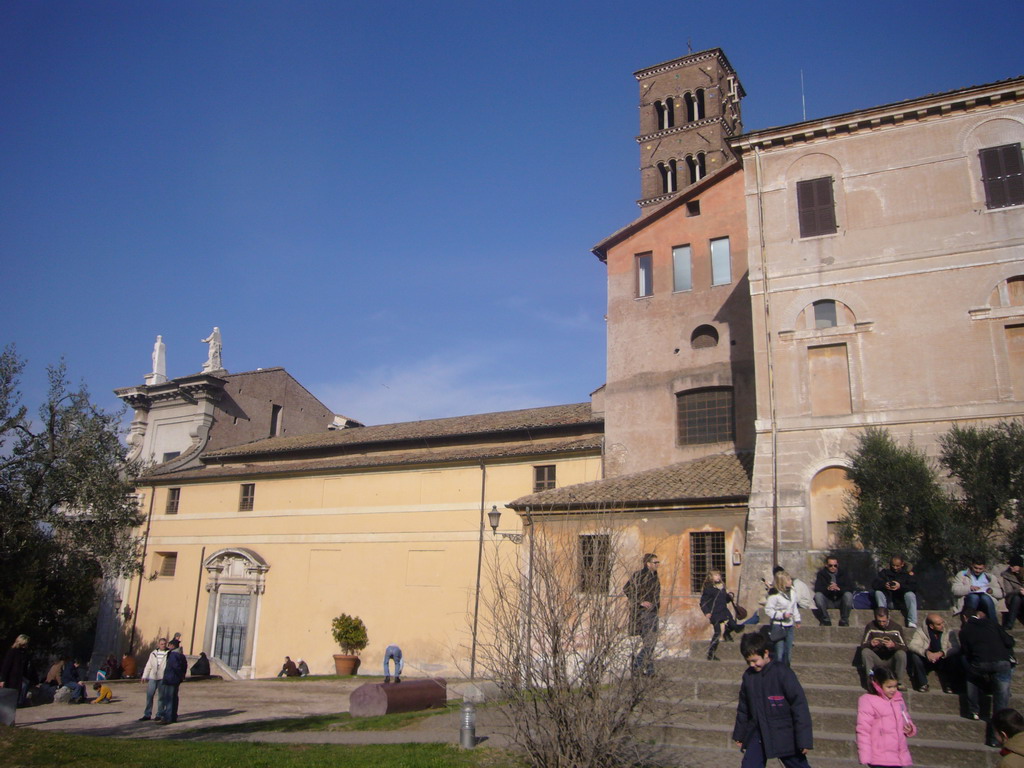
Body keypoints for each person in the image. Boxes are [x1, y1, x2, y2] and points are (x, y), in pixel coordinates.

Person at [732, 632, 814, 767]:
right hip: (758, 732)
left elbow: (799, 706)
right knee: (749, 764)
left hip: (783, 732)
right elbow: (743, 707)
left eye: (754, 660)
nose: (752, 665)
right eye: (748, 662)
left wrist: (804, 740)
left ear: (766, 653)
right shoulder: (748, 676)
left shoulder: (782, 672)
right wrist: (740, 734)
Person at [960, 605, 1015, 747]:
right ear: (979, 615)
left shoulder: (965, 630)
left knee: (970, 675)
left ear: (965, 618)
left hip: (980, 665)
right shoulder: (992, 623)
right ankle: (995, 740)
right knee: (1000, 704)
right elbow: (1009, 642)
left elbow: (967, 653)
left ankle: (973, 709)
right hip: (1002, 663)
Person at [856, 666, 916, 767]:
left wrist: (909, 728)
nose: (893, 690)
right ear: (878, 685)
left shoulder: (898, 700)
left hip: (897, 756)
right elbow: (863, 730)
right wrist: (865, 755)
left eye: (895, 686)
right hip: (878, 757)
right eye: (889, 687)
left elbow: (906, 719)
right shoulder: (868, 700)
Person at [624, 553, 661, 676]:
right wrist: (640, 602)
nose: (657, 565)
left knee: (650, 642)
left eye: (658, 562)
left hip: (653, 612)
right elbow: (627, 589)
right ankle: (637, 665)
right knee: (649, 642)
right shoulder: (640, 575)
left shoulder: (654, 576)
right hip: (643, 613)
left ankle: (650, 670)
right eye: (655, 562)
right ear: (648, 564)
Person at [907, 612, 959, 693]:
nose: (942, 625)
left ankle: (949, 685)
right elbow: (912, 645)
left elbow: (955, 647)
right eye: (939, 624)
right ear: (931, 626)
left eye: (942, 622)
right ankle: (923, 684)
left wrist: (941, 653)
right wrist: (926, 653)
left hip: (942, 659)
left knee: (953, 657)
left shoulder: (948, 631)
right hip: (927, 659)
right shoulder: (921, 632)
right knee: (915, 656)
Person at [859, 607, 910, 690]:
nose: (881, 623)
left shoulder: (896, 627)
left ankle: (899, 682)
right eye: (879, 621)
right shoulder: (870, 626)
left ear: (888, 618)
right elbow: (863, 645)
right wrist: (870, 644)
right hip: (877, 658)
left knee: (901, 654)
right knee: (865, 652)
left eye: (884, 621)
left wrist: (894, 645)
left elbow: (904, 647)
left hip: (891, 659)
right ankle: (871, 682)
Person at [700, 569, 741, 661]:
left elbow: (725, 600)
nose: (718, 577)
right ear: (711, 577)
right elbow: (703, 602)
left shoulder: (722, 587)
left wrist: (729, 596)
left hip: (724, 611)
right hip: (715, 613)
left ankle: (727, 633)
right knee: (717, 632)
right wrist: (706, 612)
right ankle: (711, 653)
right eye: (716, 575)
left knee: (734, 625)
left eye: (719, 575)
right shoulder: (709, 589)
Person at [765, 570, 800, 667]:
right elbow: (768, 610)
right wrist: (781, 615)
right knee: (779, 652)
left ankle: (786, 671)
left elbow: (794, 607)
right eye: (788, 580)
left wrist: (797, 619)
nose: (790, 581)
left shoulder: (792, 592)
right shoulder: (775, 595)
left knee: (788, 652)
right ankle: (778, 671)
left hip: (789, 625)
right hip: (779, 625)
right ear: (782, 582)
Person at [952, 557, 1005, 622]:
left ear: (984, 567)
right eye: (975, 568)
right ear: (972, 565)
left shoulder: (990, 577)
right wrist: (970, 588)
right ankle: (971, 622)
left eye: (980, 569)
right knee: (974, 597)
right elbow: (955, 590)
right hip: (969, 601)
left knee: (985, 598)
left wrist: (991, 591)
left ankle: (994, 623)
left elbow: (1001, 594)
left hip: (985, 601)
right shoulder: (962, 575)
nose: (978, 570)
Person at [873, 556, 919, 628]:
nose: (895, 567)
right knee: (878, 593)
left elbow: (914, 587)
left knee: (910, 595)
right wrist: (884, 585)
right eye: (893, 565)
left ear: (902, 564)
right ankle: (882, 617)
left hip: (902, 602)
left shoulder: (907, 575)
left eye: (897, 566)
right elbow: (875, 584)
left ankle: (912, 621)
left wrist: (900, 586)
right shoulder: (884, 573)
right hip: (889, 601)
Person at [812, 556, 854, 627]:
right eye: (830, 565)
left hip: (840, 600)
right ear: (826, 565)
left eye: (835, 565)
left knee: (848, 595)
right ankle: (825, 619)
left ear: (838, 565)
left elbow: (850, 588)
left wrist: (839, 588)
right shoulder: (822, 574)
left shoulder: (843, 574)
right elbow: (817, 588)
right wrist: (828, 588)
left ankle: (844, 620)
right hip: (828, 600)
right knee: (818, 596)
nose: (833, 567)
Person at [158, 638, 188, 724]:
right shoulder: (181, 655)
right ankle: (173, 716)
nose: (168, 646)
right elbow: (184, 666)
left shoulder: (173, 655)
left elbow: (175, 667)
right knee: (174, 698)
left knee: (169, 699)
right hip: (175, 679)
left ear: (173, 646)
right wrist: (182, 676)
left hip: (171, 679)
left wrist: (179, 675)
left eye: (169, 645)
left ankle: (168, 717)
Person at [138, 637, 168, 721]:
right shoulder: (153, 653)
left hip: (162, 677)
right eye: (161, 644)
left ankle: (160, 714)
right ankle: (147, 714)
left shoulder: (168, 653)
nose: (163, 646)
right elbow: (148, 665)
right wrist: (144, 676)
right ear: (158, 644)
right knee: (149, 695)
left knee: (161, 697)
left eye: (164, 644)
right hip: (153, 677)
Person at [0, 634, 30, 706]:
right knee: (7, 701)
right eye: (25, 644)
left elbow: (26, 667)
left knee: (13, 702)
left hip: (18, 680)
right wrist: (2, 680)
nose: (26, 646)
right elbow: (6, 666)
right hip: (10, 680)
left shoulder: (24, 653)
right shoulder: (12, 651)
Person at [1001, 556, 1024, 630]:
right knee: (1017, 598)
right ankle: (1009, 624)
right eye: (1010, 565)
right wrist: (1019, 590)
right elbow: (1008, 591)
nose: (1011, 567)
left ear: (1019, 566)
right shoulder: (1007, 575)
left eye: (1013, 565)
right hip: (1012, 600)